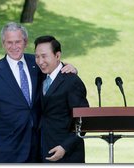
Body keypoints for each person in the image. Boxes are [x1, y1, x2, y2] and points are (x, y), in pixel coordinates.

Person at [0, 22, 77, 163]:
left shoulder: (37, 62)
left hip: (38, 148)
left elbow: (54, 69)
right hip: (7, 150)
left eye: (18, 42)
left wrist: (70, 68)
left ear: (25, 42)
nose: (14, 46)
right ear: (3, 43)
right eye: (9, 42)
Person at [34, 35, 89, 163]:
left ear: (57, 56)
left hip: (67, 156)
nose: (40, 61)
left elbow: (84, 120)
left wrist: (65, 147)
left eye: (44, 56)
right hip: (43, 152)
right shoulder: (40, 76)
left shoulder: (72, 81)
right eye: (37, 56)